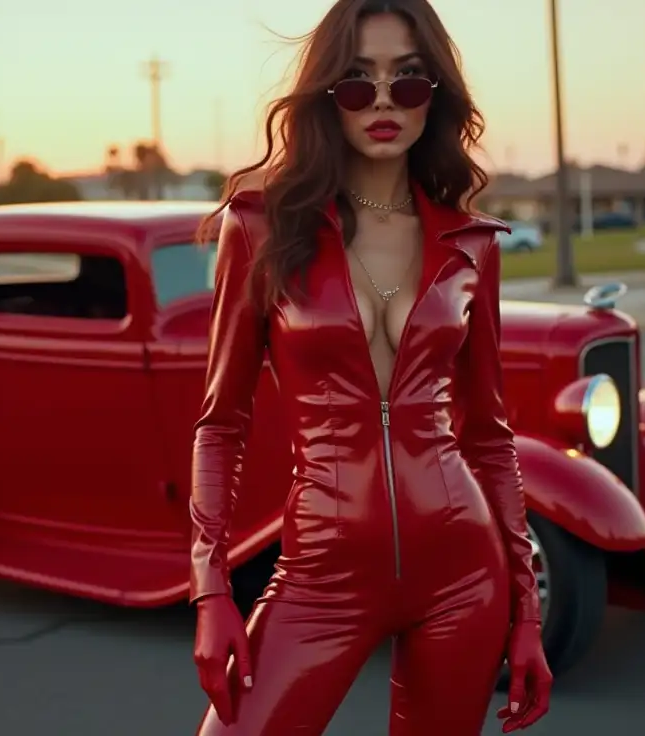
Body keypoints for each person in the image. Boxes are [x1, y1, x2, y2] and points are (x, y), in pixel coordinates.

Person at [188, 1, 553, 734]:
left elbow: (488, 435)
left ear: (435, 96)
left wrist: (526, 610)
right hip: (321, 576)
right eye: (357, 82)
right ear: (327, 96)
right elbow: (221, 422)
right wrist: (210, 589)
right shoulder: (260, 226)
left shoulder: (471, 245)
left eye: (408, 81)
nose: (383, 102)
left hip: (462, 574)